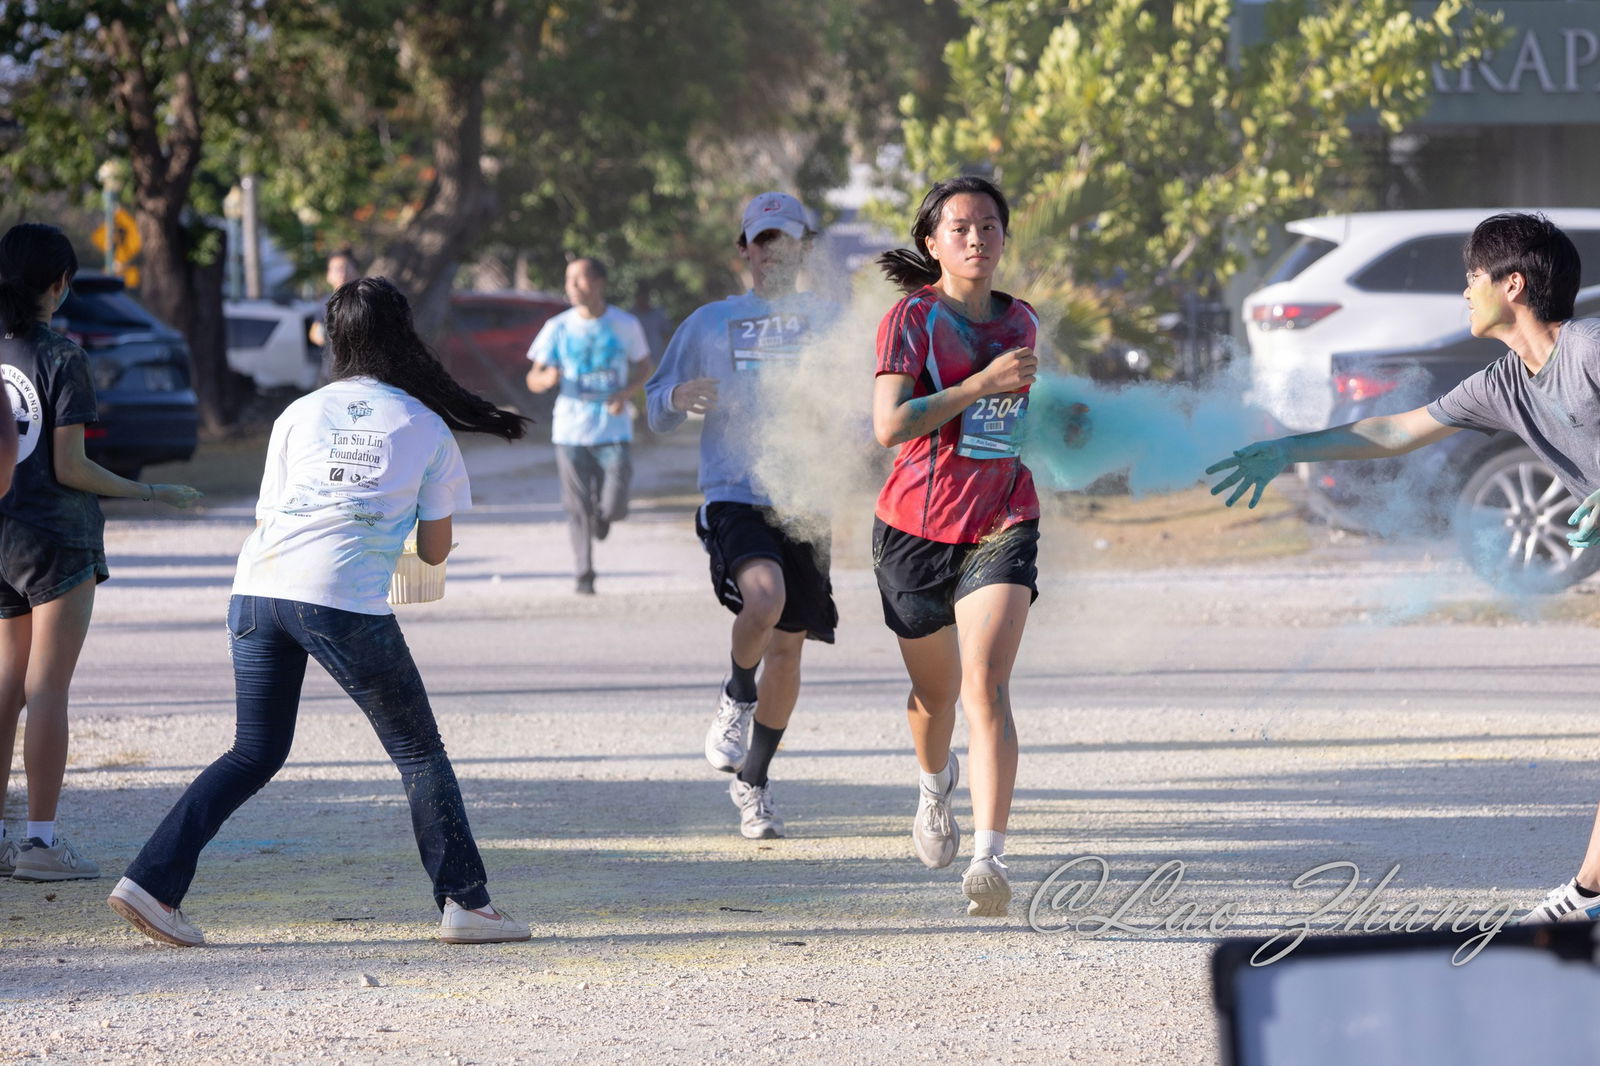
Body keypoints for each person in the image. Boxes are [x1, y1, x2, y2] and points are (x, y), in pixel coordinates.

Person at [107, 276, 532, 947]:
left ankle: (151, 883)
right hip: (339, 599)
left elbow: (269, 516)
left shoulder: (297, 414)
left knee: (253, 751)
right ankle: (467, 904)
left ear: (334, 340)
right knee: (420, 752)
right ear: (404, 337)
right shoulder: (424, 425)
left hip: (257, 589)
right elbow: (433, 550)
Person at [1205, 211, 1600, 925]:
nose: (1465, 292)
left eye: (1472, 277)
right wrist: (1289, 448)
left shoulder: (1589, 349)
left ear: (1513, 284)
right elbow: (1394, 431)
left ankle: (1587, 898)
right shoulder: (1505, 384)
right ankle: (1589, 895)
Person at [0, 223, 202, 884]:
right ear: (60, 284)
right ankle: (39, 842)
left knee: (5, 684)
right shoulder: (62, 356)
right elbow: (71, 466)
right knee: (47, 688)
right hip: (57, 541)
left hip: (2, 535)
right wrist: (150, 491)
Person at [870, 175, 1042, 917]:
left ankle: (989, 860)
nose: (977, 239)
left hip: (1003, 518)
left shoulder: (1023, 321)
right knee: (935, 696)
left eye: (989, 227)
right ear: (933, 243)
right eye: (961, 228)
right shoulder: (910, 319)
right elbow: (889, 426)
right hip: (913, 529)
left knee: (987, 685)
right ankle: (934, 786)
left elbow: (1017, 418)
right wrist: (981, 383)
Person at [645, 192, 840, 840]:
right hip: (735, 490)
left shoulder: (831, 321)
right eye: (762, 240)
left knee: (788, 647)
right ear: (744, 249)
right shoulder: (710, 322)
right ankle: (736, 693)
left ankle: (753, 782)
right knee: (765, 600)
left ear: (803, 248)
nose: (773, 251)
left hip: (807, 496)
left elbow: (868, 395)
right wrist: (678, 393)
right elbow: (655, 404)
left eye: (785, 239)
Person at [525, 257, 653, 594]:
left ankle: (605, 516)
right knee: (576, 506)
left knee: (616, 504)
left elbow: (645, 367)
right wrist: (546, 378)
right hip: (570, 431)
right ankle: (584, 572)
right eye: (569, 280)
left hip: (614, 428)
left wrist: (626, 393)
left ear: (598, 283)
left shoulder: (624, 324)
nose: (571, 286)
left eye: (579, 279)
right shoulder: (557, 327)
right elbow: (532, 378)